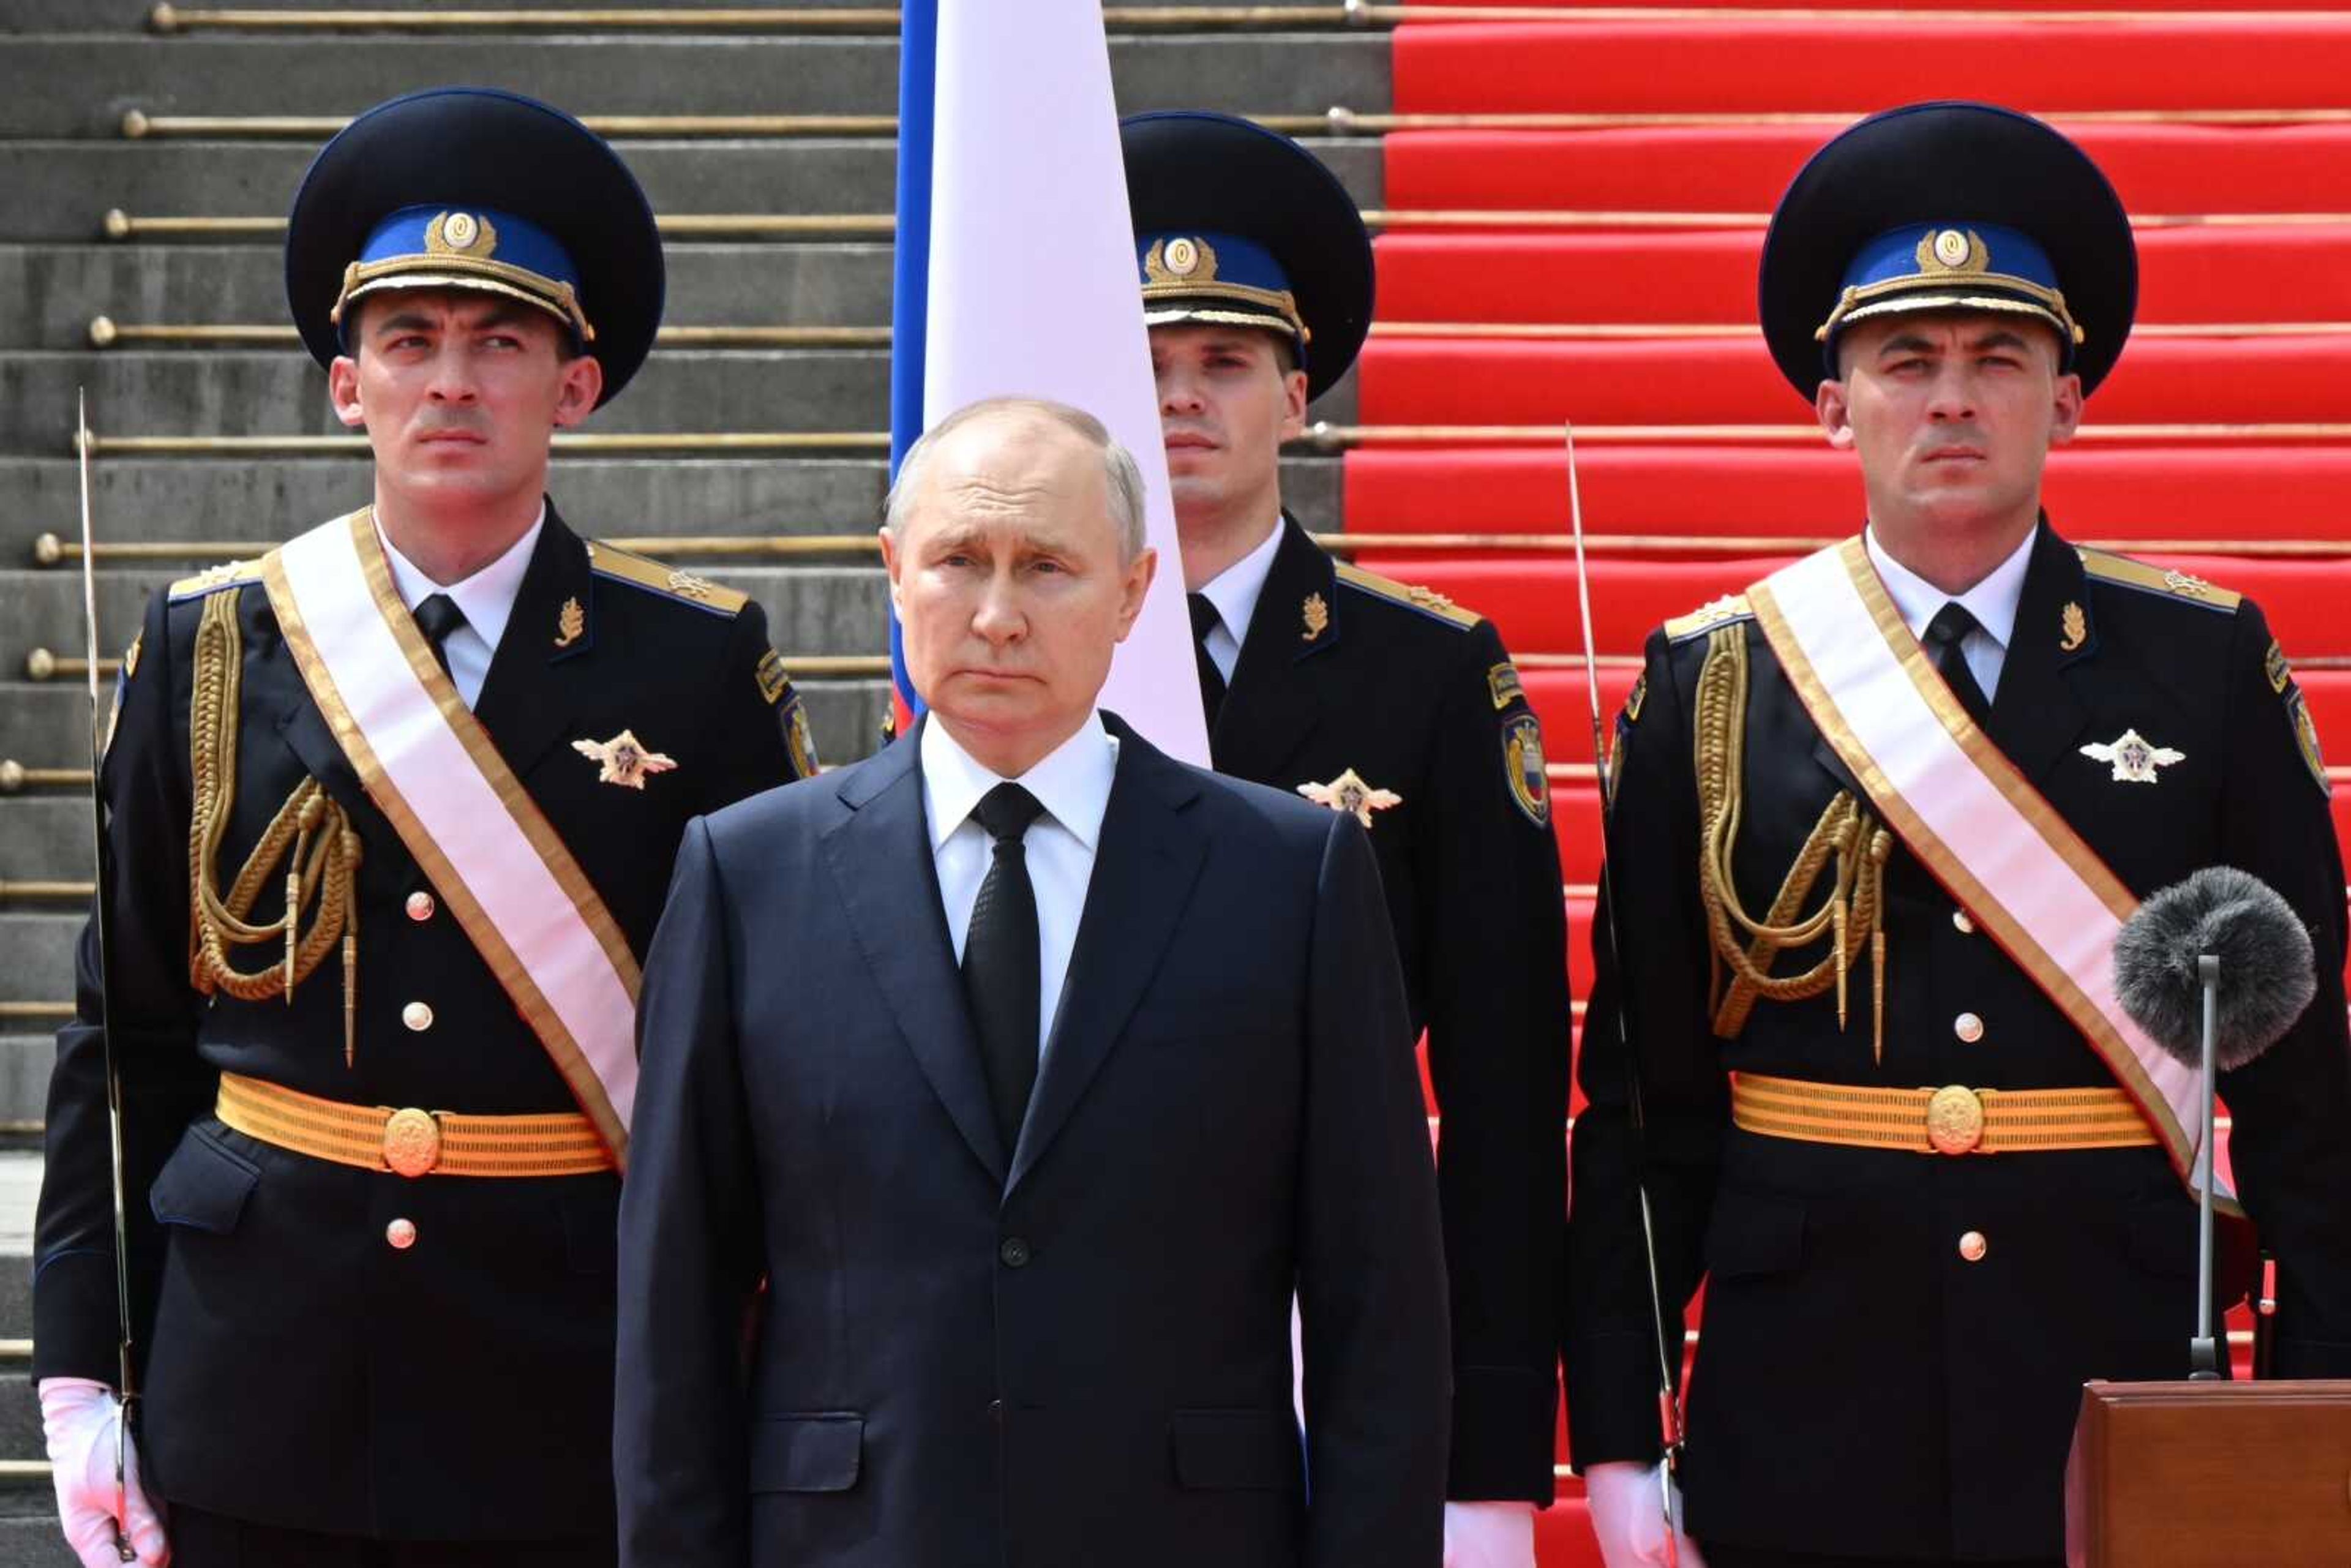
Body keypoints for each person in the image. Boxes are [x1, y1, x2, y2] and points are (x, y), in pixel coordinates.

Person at [32, 86, 812, 1568]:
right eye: (409, 342)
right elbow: (120, 1037)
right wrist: (80, 1377)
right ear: (346, 384)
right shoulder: (211, 647)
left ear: (573, 387)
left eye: (499, 342)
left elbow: (766, 1045)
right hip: (259, 1378)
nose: (450, 382)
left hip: (566, 1376)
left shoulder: (696, 664)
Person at [1567, 100, 2351, 1568]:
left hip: (2109, 1363)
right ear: (1832, 401)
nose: (1952, 400)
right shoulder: (1712, 682)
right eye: (1905, 362)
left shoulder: (2202, 664)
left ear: (2068, 400)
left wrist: (2318, 1402)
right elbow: (1642, 1112)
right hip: (1801, 1389)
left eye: (2001, 361)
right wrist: (1618, 1433)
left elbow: (2307, 1102)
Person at [615, 396, 1452, 1568]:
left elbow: (1382, 1312)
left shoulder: (1290, 876)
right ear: (894, 574)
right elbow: (677, 1305)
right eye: (960, 561)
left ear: (1132, 591)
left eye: (1048, 568)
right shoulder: (749, 874)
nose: (998, 615)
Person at [1122, 110, 1572, 1567]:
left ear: (1298, 394)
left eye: (1225, 364)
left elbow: (1505, 1090)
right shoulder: (1000, 653)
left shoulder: (1425, 673)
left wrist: (1493, 1453)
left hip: (1340, 1331)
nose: (1181, 401)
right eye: (1148, 364)